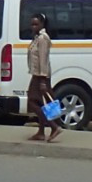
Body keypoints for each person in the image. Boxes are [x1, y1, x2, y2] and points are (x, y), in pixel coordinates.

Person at [24, 13, 61, 143]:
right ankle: (41, 132)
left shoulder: (43, 38)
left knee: (32, 102)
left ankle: (54, 126)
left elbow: (43, 60)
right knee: (40, 102)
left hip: (41, 76)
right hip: (37, 74)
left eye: (36, 24)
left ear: (42, 24)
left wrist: (42, 80)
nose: (33, 26)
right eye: (32, 24)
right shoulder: (37, 37)